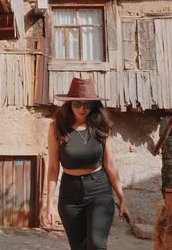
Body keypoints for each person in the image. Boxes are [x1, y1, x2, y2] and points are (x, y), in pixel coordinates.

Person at [44, 78, 131, 250]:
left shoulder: (102, 127)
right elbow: (54, 168)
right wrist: (48, 204)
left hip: (99, 191)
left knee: (97, 245)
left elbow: (111, 165)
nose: (83, 109)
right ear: (69, 104)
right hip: (70, 195)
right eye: (77, 104)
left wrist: (122, 198)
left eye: (87, 104)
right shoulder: (56, 128)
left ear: (94, 105)